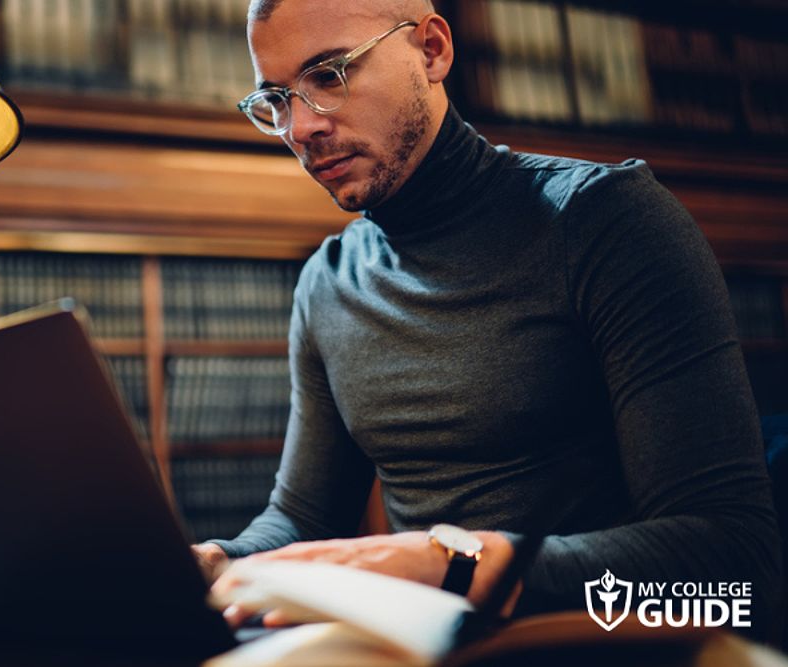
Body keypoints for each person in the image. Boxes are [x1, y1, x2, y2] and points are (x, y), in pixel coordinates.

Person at [191, 0, 782, 635]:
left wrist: (457, 565)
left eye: (330, 76)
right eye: (276, 100)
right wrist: (220, 561)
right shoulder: (328, 283)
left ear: (432, 50)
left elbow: (736, 569)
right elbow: (303, 520)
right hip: (428, 639)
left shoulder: (607, 223)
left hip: (599, 639)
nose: (300, 126)